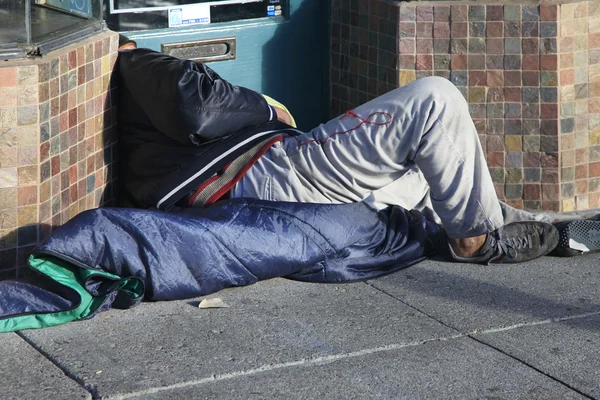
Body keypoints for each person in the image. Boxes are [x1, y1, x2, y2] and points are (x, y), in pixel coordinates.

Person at [115, 37, 600, 264]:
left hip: (268, 172)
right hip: (265, 171)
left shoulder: (135, 124)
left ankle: (546, 230)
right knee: (434, 100)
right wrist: (266, 108)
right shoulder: (137, 62)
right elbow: (195, 104)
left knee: (427, 176)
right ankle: (476, 239)